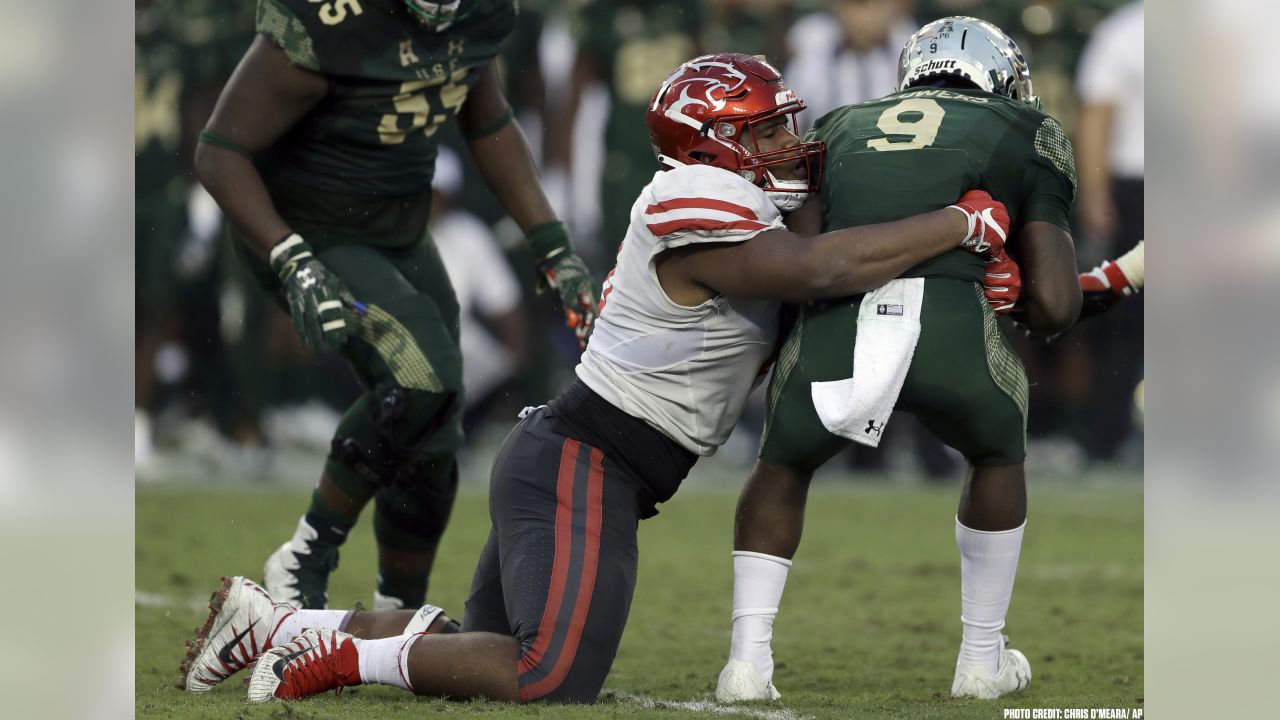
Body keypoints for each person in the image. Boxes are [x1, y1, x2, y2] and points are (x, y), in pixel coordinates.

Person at [180, 52, 1016, 703]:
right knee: (548, 678)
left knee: (478, 643)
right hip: (587, 460)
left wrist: (983, 279)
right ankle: (338, 656)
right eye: (762, 131)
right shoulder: (691, 198)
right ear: (709, 143)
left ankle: (280, 624)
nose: (786, 144)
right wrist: (960, 223)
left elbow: (836, 266)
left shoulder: (743, 202)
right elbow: (822, 269)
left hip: (573, 457)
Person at [187, 0, 600, 623]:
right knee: (421, 376)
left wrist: (554, 248)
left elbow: (487, 122)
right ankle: (306, 554)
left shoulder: (478, 14)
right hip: (311, 233)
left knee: (435, 423)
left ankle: (397, 612)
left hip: (401, 235)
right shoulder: (330, 22)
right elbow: (219, 151)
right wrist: (292, 259)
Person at [716, 17, 1087, 703]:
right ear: (1000, 76)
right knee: (998, 450)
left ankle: (746, 662)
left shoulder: (839, 122)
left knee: (784, 462)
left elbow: (802, 256)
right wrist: (1015, 288)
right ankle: (980, 660)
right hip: (951, 326)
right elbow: (1060, 305)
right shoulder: (1027, 128)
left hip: (837, 321)